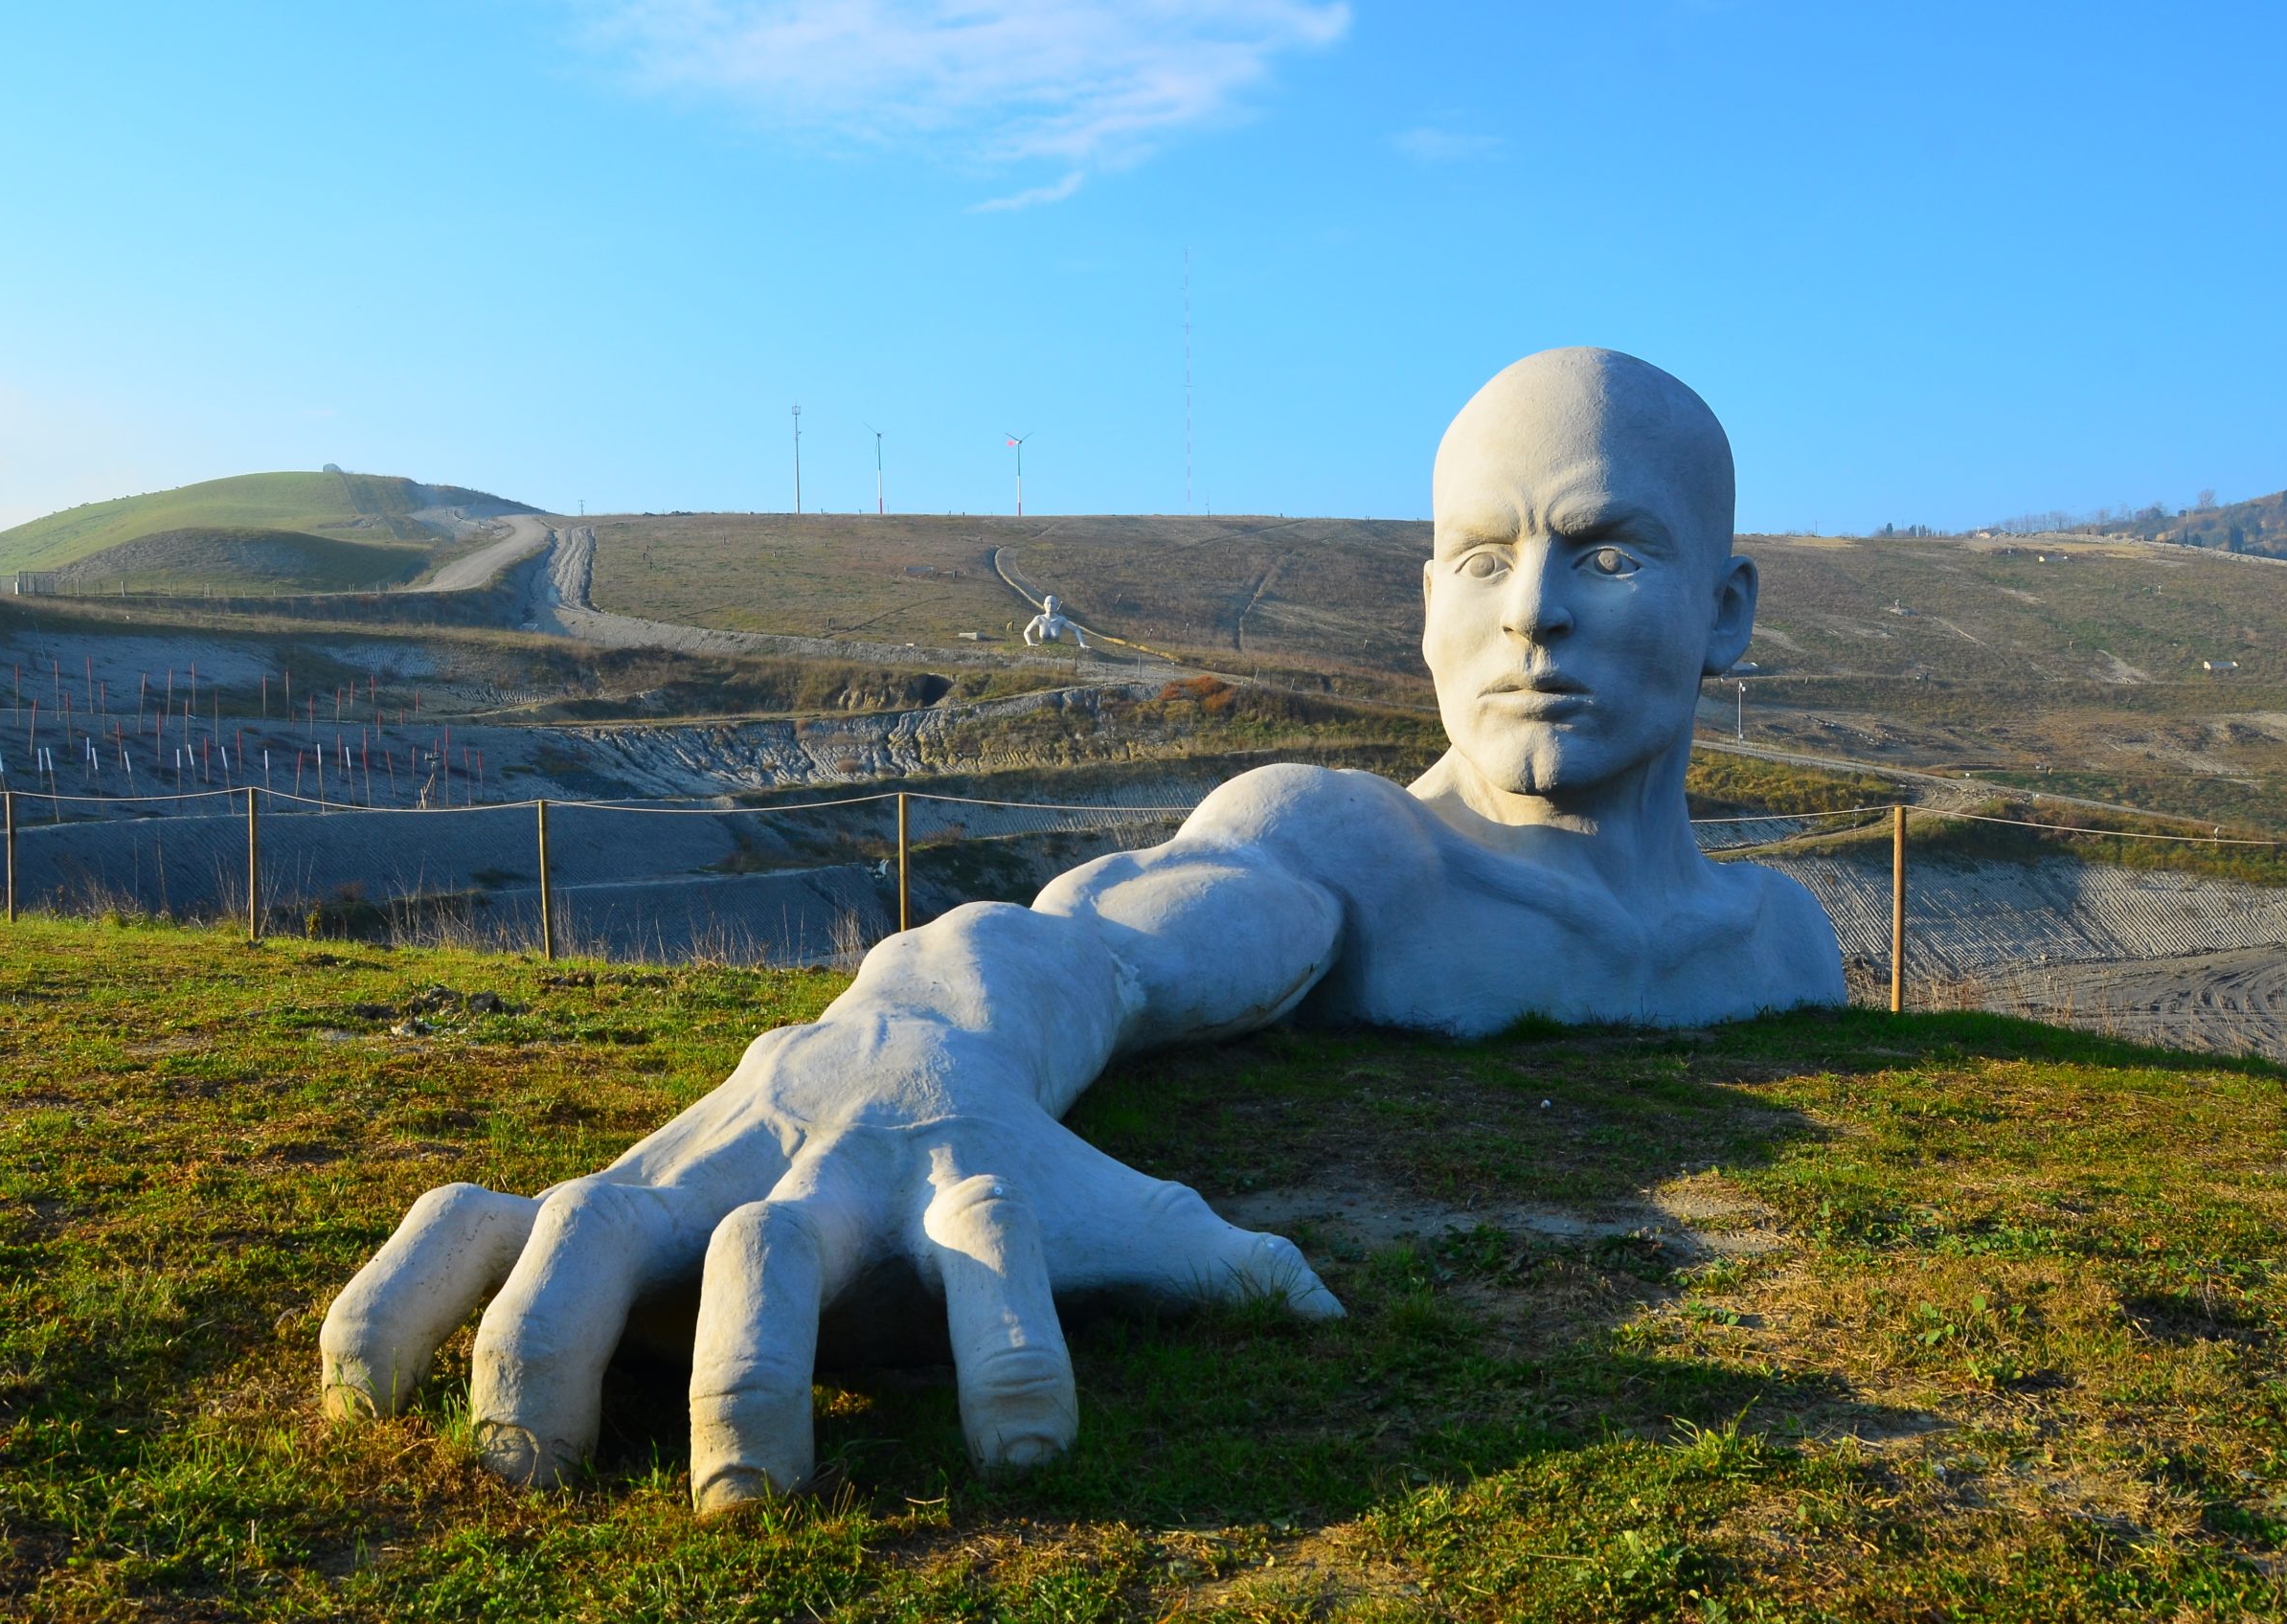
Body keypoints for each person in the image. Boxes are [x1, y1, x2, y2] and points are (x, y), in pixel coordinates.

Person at [320, 348, 1845, 1511]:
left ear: (1726, 611)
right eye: (1482, 557)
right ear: (1429, 599)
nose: (1532, 612)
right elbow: (1096, 938)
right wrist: (899, 1058)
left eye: (1609, 550)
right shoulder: (1351, 845)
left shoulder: (1787, 948)